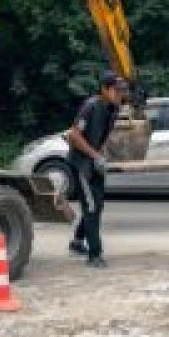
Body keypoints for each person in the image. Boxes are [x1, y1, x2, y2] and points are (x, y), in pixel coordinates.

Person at [65, 71, 128, 268]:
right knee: (91, 207)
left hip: (95, 162)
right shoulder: (90, 106)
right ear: (104, 89)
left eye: (122, 92)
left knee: (96, 205)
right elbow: (74, 135)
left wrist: (103, 155)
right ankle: (95, 255)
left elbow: (103, 136)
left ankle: (77, 241)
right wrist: (95, 156)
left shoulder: (113, 109)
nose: (120, 95)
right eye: (116, 91)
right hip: (82, 164)